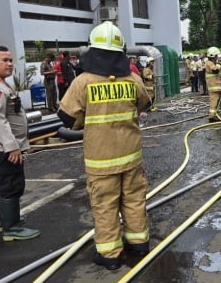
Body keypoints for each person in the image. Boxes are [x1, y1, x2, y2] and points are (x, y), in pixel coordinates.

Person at [58, 21, 151, 270]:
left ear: (93, 51)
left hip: (101, 161)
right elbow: (145, 105)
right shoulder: (132, 79)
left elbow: (66, 117)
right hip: (131, 157)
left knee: (106, 205)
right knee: (134, 200)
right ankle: (139, 244)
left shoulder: (83, 82)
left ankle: (110, 255)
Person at [0, 46, 40, 242]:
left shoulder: (0, 83)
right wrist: (12, 146)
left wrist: (21, 143)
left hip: (6, 146)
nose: (10, 63)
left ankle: (4, 221)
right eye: (4, 60)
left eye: (10, 60)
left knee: (5, 184)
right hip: (3, 148)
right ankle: (11, 228)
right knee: (12, 185)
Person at [205, 47, 221, 122]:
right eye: (216, 55)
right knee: (214, 101)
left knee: (217, 102)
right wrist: (219, 64)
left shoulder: (213, 63)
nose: (217, 57)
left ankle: (215, 115)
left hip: (217, 86)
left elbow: (218, 69)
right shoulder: (209, 63)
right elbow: (215, 70)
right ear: (213, 56)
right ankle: (211, 117)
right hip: (213, 87)